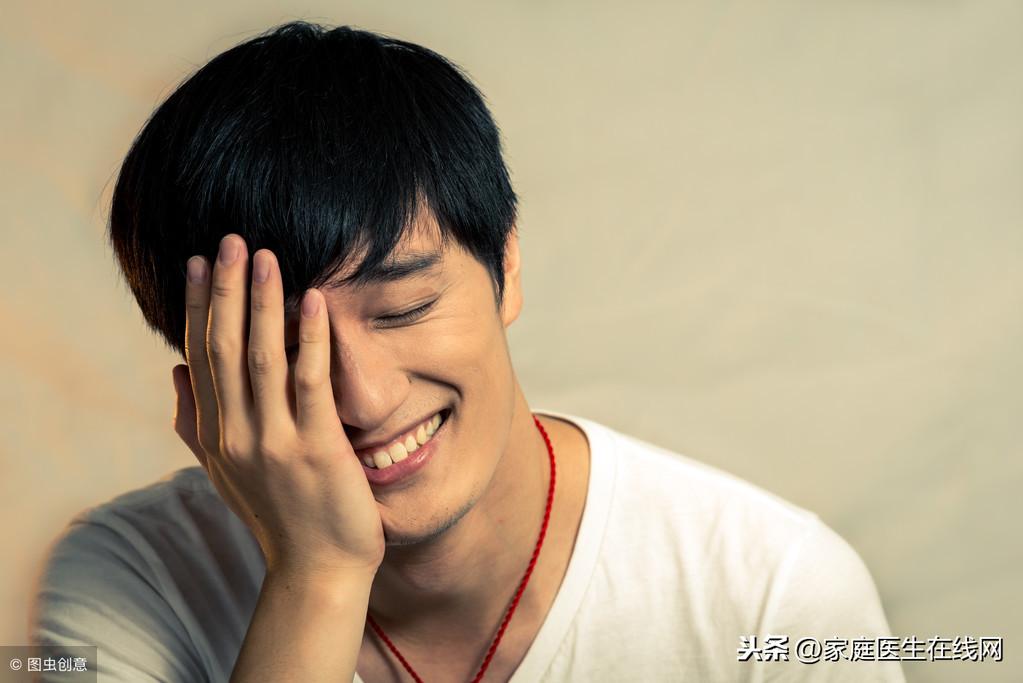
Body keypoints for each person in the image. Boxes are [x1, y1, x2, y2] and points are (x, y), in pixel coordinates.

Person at [30, 21, 905, 682]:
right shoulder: (125, 577)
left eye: (405, 307)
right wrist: (318, 573)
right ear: (203, 376)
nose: (365, 398)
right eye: (288, 350)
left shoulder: (776, 594)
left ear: (506, 265)